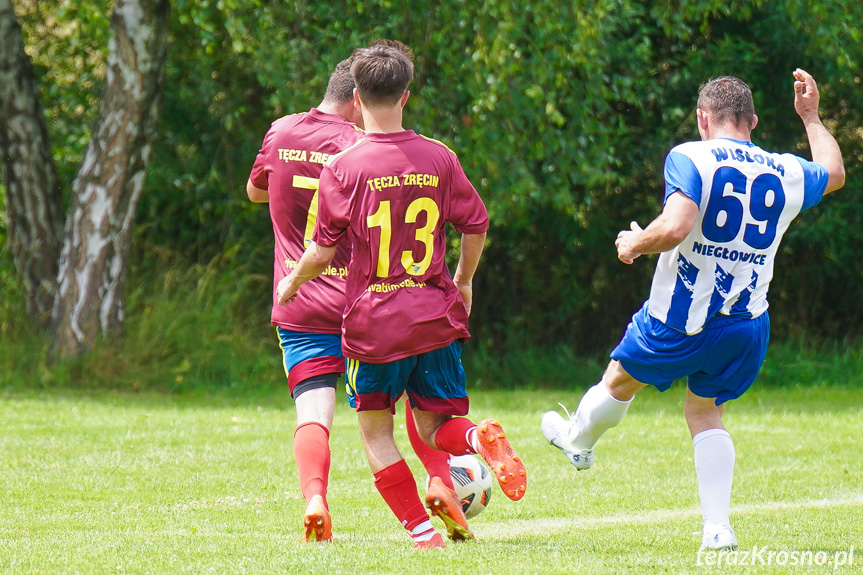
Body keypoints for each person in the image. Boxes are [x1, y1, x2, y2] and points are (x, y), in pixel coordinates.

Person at [541, 69, 844, 551]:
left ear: (703, 118)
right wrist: (810, 116)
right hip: (746, 324)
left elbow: (677, 226)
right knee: (705, 414)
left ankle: (578, 440)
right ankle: (717, 529)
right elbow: (834, 173)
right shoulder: (784, 169)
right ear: (754, 121)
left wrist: (636, 242)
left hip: (678, 320)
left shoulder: (690, 155)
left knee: (619, 380)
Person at [276, 42, 527, 549]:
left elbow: (322, 253)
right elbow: (475, 224)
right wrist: (463, 281)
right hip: (434, 316)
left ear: (358, 99)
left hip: (374, 325)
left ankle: (422, 533)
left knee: (376, 432)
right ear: (406, 95)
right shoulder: (439, 156)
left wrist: (292, 282)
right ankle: (478, 439)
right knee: (438, 428)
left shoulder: (343, 168)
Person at [246, 55, 455, 544]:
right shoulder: (363, 146)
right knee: (409, 401)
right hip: (365, 305)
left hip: (301, 305)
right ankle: (442, 483)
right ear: (357, 100)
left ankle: (316, 498)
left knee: (313, 413)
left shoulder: (281, 132)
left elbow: (256, 191)